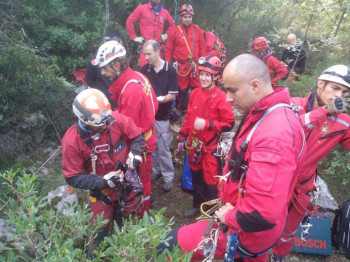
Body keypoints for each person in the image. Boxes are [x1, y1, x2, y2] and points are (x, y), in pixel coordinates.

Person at [160, 54, 306, 261]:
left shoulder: (275, 133)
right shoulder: (267, 113)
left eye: (232, 90)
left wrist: (228, 216)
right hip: (247, 225)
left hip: (244, 232)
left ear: (255, 86)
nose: (228, 98)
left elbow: (261, 213)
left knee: (168, 243)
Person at [271, 65, 350, 262]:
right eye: (334, 88)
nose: (338, 95)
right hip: (275, 179)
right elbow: (285, 127)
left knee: (288, 231)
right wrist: (323, 112)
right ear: (320, 84)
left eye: (345, 92)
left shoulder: (343, 122)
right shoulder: (292, 104)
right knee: (264, 223)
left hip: (302, 185)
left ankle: (278, 258)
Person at [61, 88, 145, 256]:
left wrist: (135, 153)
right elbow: (72, 177)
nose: (106, 125)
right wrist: (102, 182)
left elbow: (137, 135)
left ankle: (128, 254)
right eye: (101, 124)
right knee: (98, 232)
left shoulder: (113, 120)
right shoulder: (71, 141)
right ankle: (95, 256)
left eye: (107, 121)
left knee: (128, 225)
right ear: (84, 120)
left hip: (125, 186)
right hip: (100, 192)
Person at [91, 40, 159, 214]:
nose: (102, 72)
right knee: (144, 179)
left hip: (141, 142)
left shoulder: (130, 92)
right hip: (147, 134)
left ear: (116, 63)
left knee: (139, 181)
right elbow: (152, 106)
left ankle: (140, 215)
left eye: (105, 67)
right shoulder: (137, 76)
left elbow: (128, 131)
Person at [176, 55, 235, 218]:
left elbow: (229, 123)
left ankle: (211, 213)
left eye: (207, 75)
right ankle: (197, 205)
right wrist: (182, 137)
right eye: (201, 74)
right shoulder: (194, 93)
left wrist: (208, 124)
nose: (203, 78)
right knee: (196, 177)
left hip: (210, 147)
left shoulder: (221, 97)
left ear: (216, 77)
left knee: (211, 181)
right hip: (194, 145)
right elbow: (189, 117)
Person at [141, 40, 178, 192]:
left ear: (158, 51)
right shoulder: (145, 70)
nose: (146, 57)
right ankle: (156, 171)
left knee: (163, 148)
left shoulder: (170, 70)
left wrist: (155, 100)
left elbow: (172, 95)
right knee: (151, 146)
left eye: (149, 54)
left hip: (162, 116)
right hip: (148, 117)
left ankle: (168, 177)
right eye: (145, 54)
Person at [165, 3, 206, 114]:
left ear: (192, 17)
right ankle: (183, 110)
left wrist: (203, 64)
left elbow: (202, 48)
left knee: (197, 88)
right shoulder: (174, 31)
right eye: (185, 17)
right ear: (181, 17)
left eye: (189, 17)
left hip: (194, 65)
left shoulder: (197, 30)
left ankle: (196, 109)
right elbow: (168, 49)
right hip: (180, 66)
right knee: (182, 90)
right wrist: (168, 66)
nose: (187, 19)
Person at [126, 0, 174, 68]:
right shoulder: (141, 9)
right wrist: (134, 37)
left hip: (159, 49)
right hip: (145, 48)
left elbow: (172, 24)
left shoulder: (164, 12)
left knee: (159, 72)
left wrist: (167, 34)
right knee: (145, 71)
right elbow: (129, 21)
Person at [86, 28, 123, 109]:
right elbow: (90, 83)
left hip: (120, 101)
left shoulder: (123, 58)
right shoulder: (95, 60)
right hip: (104, 103)